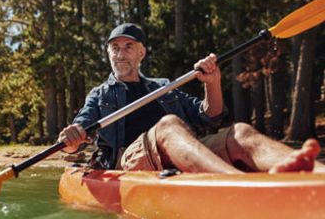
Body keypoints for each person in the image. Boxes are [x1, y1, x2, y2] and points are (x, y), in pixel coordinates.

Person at [59, 23, 325, 174]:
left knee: (241, 132)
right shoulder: (100, 95)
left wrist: (213, 82)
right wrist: (71, 140)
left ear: (141, 53)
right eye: (114, 48)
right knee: (168, 125)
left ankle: (316, 175)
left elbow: (211, 116)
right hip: (130, 161)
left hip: (180, 152)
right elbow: (74, 141)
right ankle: (236, 184)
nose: (120, 54)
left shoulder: (165, 87)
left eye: (128, 47)